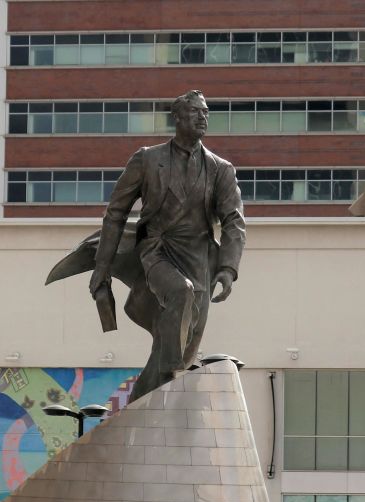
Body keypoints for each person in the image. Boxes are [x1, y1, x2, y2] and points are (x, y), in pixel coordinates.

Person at [80, 89, 246, 402]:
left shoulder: (220, 169)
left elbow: (234, 222)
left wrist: (227, 268)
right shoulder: (148, 159)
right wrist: (101, 268)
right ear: (178, 117)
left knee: (182, 343)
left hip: (199, 259)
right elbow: (115, 213)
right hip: (157, 252)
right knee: (179, 294)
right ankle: (174, 376)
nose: (202, 118)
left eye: (206, 112)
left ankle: (143, 400)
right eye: (195, 112)